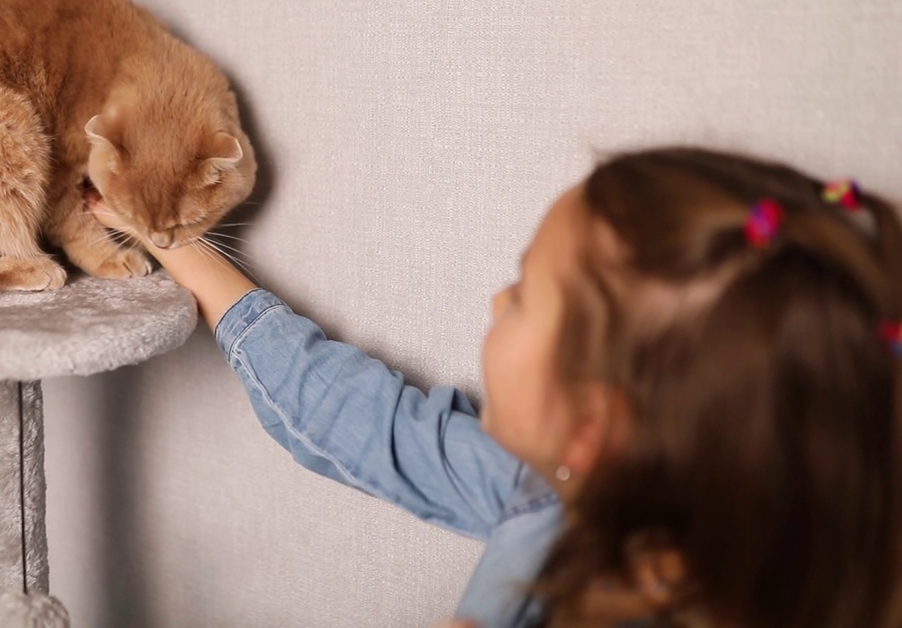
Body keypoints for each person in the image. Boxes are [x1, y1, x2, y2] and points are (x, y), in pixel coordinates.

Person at [88, 147, 902, 627]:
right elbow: (355, 419)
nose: (495, 302)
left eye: (523, 293)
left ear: (593, 426)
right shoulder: (553, 491)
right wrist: (172, 242)